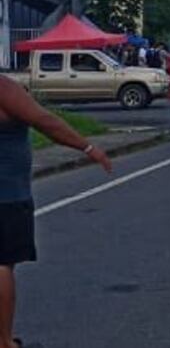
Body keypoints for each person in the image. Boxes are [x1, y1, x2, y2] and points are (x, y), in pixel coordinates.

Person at [0, 76, 112, 348]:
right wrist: (87, 147)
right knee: (2, 263)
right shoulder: (3, 88)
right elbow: (45, 121)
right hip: (6, 196)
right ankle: (3, 341)